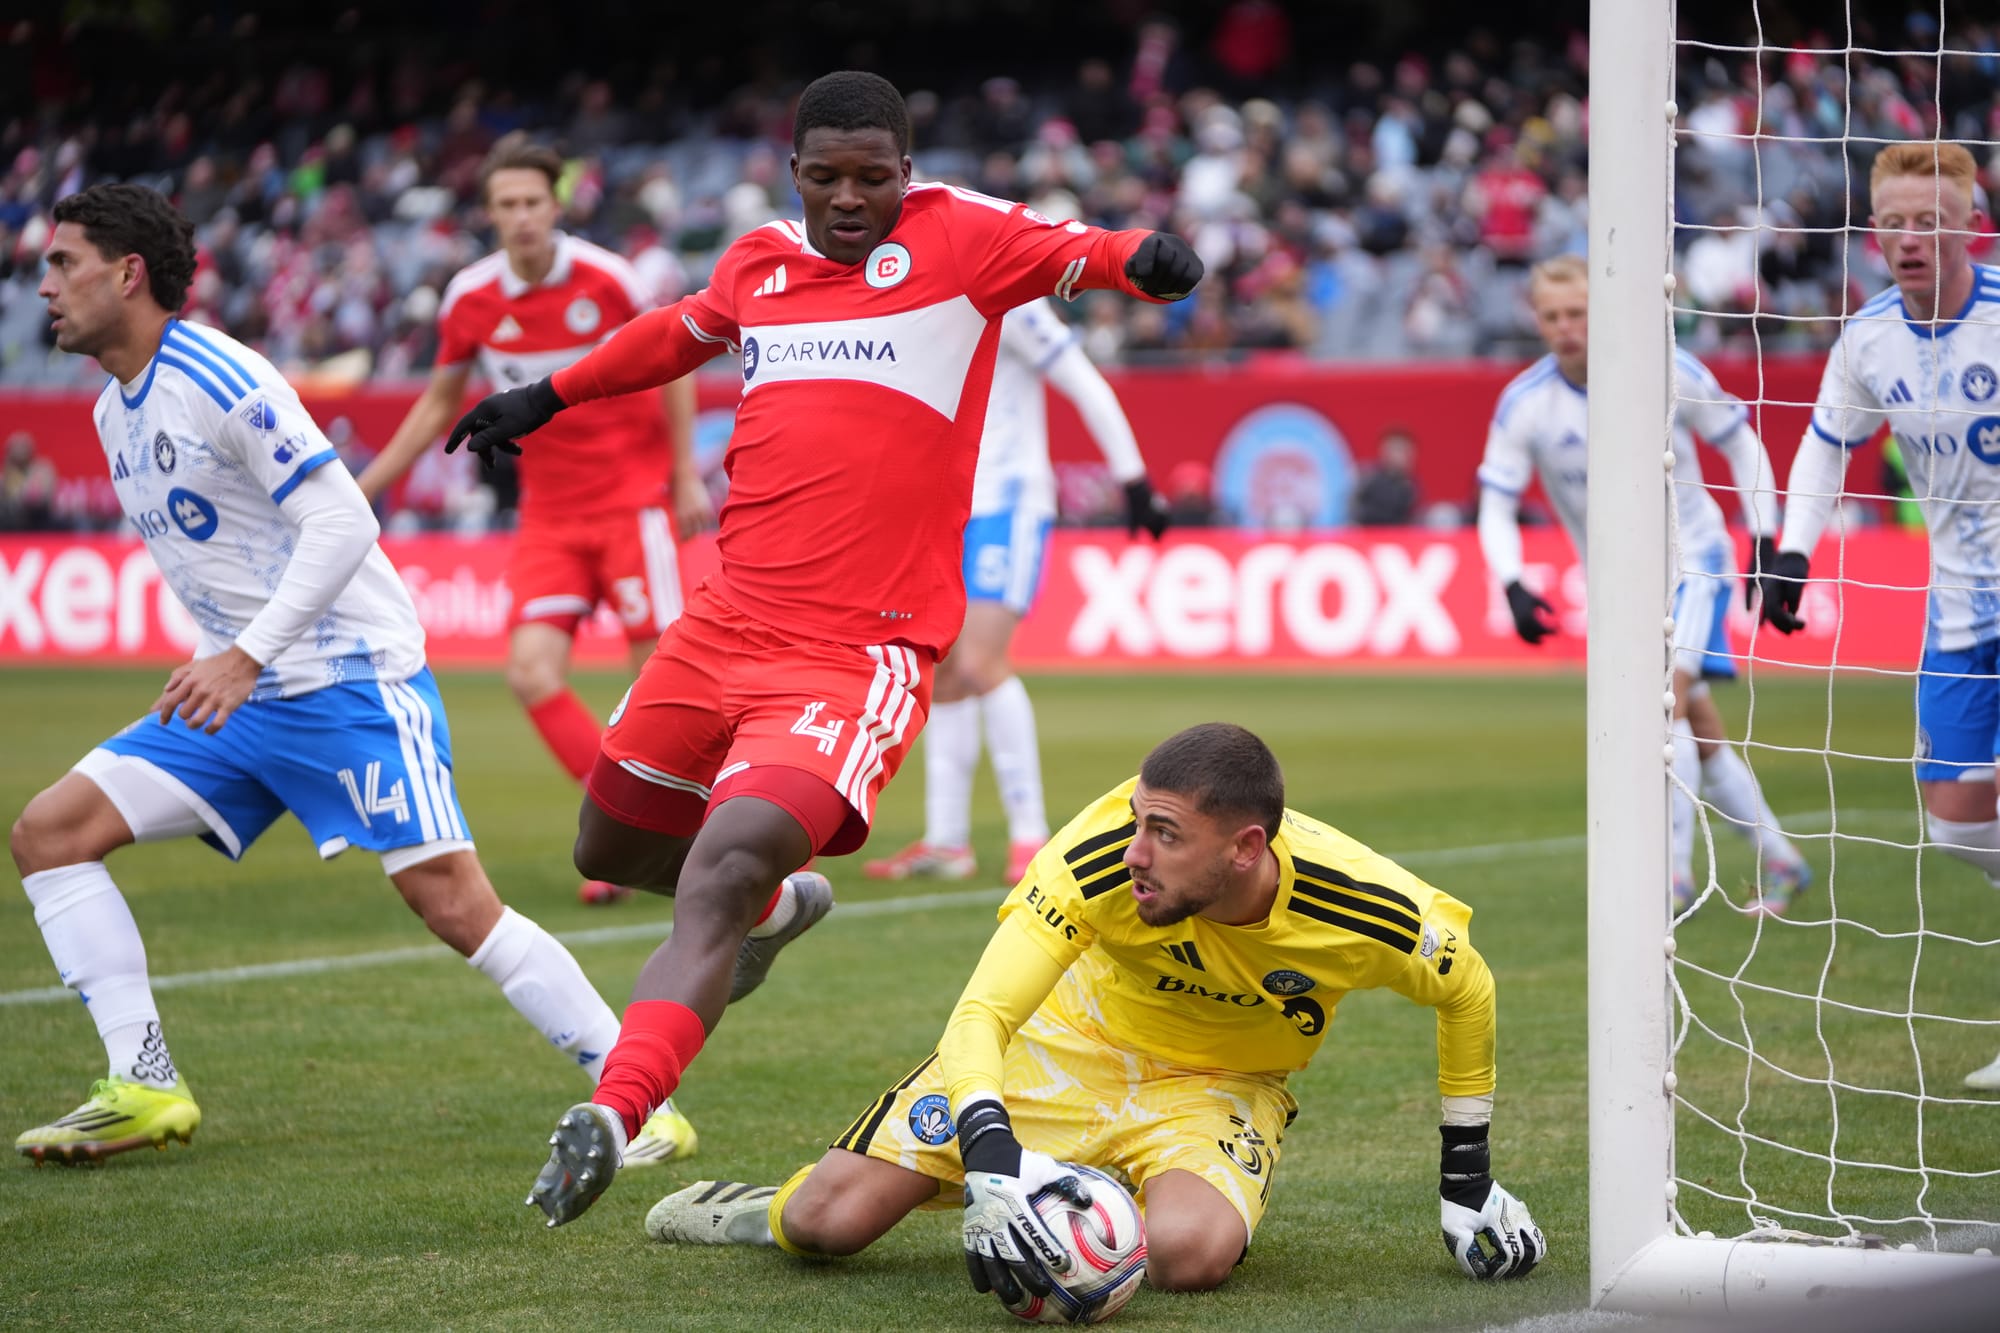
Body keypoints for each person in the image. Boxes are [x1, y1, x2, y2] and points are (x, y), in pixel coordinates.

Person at [442, 70, 1205, 1227]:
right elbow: (675, 332)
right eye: (826, 178)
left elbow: (1081, 251)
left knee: (722, 862)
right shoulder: (757, 261)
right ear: (793, 174)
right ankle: (777, 904)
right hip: (720, 624)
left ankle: (616, 1108)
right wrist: (546, 393)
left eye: (873, 178)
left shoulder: (962, 238)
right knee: (613, 838)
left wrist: (1146, 257)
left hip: (858, 652)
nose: (850, 200)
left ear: (907, 171)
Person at [11, 182, 696, 1166]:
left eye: (63, 263)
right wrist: (225, 648)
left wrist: (244, 654)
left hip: (347, 682)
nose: (45, 286)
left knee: (453, 902)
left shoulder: (214, 373)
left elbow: (342, 522)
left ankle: (636, 1098)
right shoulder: (120, 407)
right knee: (51, 833)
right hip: (240, 698)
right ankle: (145, 1081)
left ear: (127, 273)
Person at [640, 723, 1544, 1299]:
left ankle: (1091, 1197)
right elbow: (982, 1016)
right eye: (1139, 820)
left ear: (1246, 848)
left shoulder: (1365, 906)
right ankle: (757, 1206)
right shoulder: (1094, 859)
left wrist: (1466, 1183)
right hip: (1065, 1047)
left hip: (1218, 1086)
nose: (1137, 852)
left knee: (1189, 1256)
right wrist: (993, 1159)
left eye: (1167, 834)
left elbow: (1471, 989)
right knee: (825, 1224)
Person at [355, 136, 716, 908]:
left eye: (533, 202)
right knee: (529, 672)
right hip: (549, 512)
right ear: (488, 214)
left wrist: (684, 471)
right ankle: (628, 833)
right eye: (506, 204)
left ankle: (700, 839)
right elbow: (437, 406)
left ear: (557, 206)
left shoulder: (608, 280)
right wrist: (364, 491)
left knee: (661, 683)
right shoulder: (470, 298)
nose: (521, 217)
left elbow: (675, 359)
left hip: (631, 501)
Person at [1757, 141, 2000, 1091]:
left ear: (1968, 223)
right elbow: (1825, 450)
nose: (1910, 237)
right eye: (1894, 221)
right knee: (1955, 823)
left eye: (1929, 219)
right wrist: (1791, 549)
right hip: (1958, 606)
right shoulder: (1868, 339)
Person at [1478, 254, 1812, 915]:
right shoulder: (1526, 403)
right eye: (1552, 316)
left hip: (1694, 563)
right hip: (1617, 587)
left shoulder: (1667, 370)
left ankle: (1672, 881)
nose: (1566, 327)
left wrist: (1765, 533)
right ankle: (1782, 857)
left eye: (1578, 312)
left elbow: (1742, 443)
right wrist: (1511, 582)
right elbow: (1495, 501)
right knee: (1695, 720)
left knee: (1664, 705)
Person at [863, 298, 1167, 887]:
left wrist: (1132, 479)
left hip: (1009, 501)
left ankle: (1031, 834)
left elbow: (1083, 381)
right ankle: (949, 842)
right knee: (944, 672)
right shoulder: (920, 296)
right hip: (944, 508)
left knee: (979, 662)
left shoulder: (1012, 303)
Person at [1351, 426, 1421, 526]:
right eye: (1397, 449)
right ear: (1384, 450)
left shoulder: (1411, 485)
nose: (1401, 455)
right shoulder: (1369, 478)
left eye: (1406, 450)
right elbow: (1357, 512)